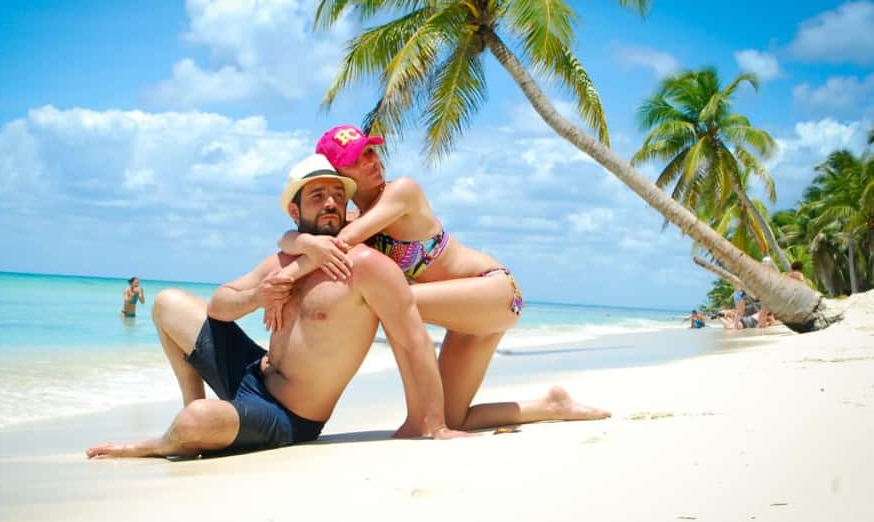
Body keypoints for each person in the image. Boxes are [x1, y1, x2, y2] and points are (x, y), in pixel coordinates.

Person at [87, 155, 473, 459]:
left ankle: (170, 440)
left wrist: (433, 423)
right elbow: (221, 306)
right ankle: (195, 411)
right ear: (295, 211)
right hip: (251, 375)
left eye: (338, 195)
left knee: (196, 423)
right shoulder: (283, 262)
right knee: (168, 303)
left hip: (291, 416)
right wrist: (258, 297)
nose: (331, 203)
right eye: (318, 196)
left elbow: (413, 340)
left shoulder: (366, 267)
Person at [273, 125, 607, 432]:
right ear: (337, 173)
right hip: (467, 320)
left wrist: (287, 276)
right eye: (356, 159)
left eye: (370, 152)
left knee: (382, 299)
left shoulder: (402, 192)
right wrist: (303, 242)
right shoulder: (352, 218)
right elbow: (293, 236)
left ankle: (416, 422)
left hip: (495, 291)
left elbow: (340, 244)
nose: (371, 162)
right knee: (452, 417)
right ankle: (549, 405)